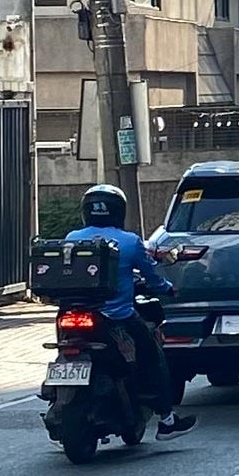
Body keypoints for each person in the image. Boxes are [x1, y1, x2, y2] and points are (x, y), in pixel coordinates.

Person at [65, 182, 190, 430]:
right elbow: (152, 278)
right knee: (153, 357)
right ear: (119, 211)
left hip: (72, 313)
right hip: (117, 316)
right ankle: (167, 419)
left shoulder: (72, 238)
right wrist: (168, 288)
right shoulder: (130, 242)